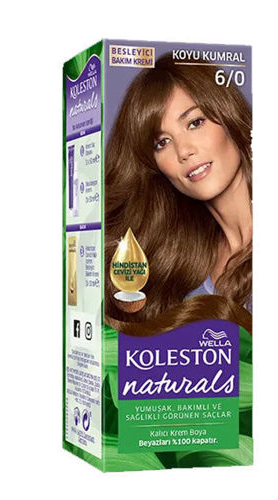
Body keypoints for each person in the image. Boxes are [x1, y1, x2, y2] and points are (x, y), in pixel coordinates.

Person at [105, 53, 252, 328]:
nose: (183, 151)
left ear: (227, 113)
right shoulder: (184, 267)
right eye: (162, 142)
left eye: (195, 123)